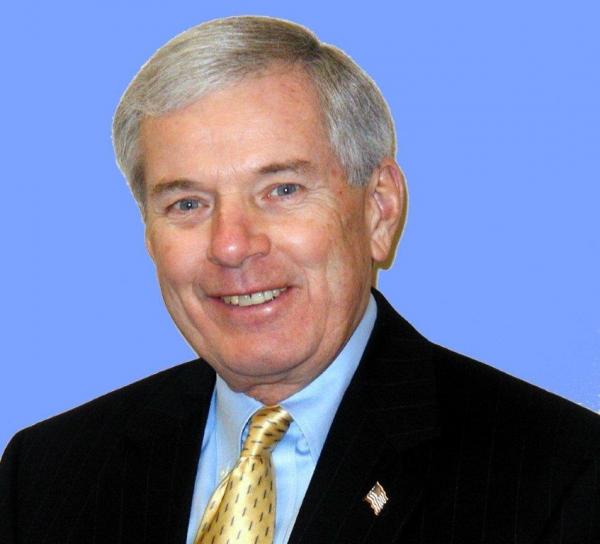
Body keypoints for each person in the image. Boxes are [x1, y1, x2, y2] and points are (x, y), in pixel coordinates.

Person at [1, 15, 598, 544]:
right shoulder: (47, 474)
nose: (231, 245)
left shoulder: (559, 476)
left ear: (379, 210)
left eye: (281, 190)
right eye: (187, 203)